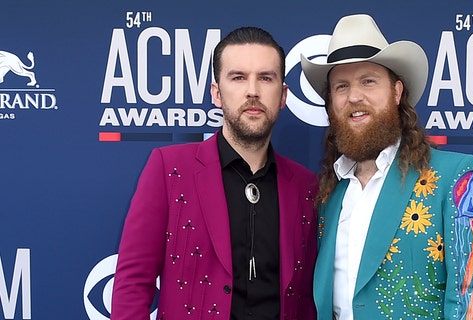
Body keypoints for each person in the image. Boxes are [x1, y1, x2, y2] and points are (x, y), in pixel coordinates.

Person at [301, 14, 473, 320]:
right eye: (341, 86)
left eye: (368, 81)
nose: (354, 96)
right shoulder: (330, 194)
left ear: (396, 92)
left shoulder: (457, 176)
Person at [111, 26, 318, 320]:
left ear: (283, 95)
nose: (252, 90)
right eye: (238, 77)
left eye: (266, 78)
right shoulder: (169, 169)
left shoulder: (306, 186)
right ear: (217, 93)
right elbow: (132, 283)